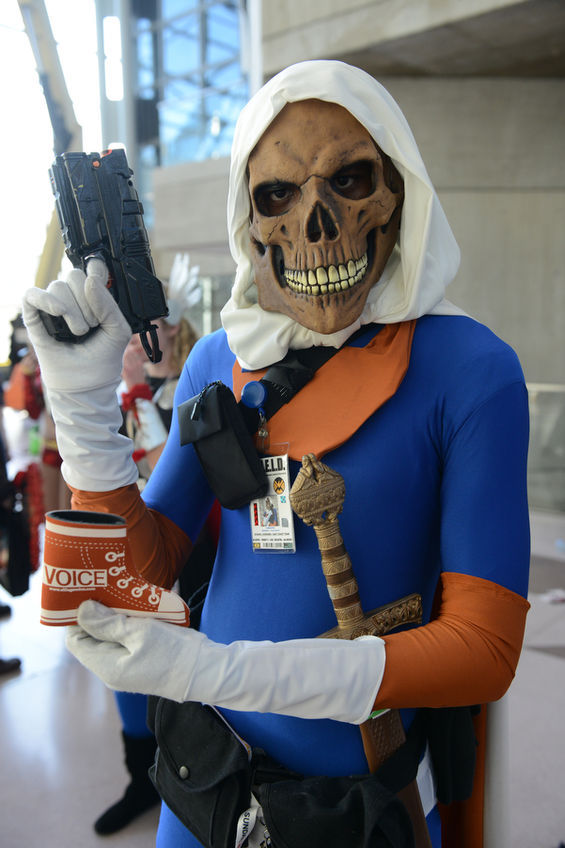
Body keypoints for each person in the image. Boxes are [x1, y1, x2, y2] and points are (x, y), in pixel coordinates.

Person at [22, 60, 530, 848]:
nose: (316, 223)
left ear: (398, 192)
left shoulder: (470, 370)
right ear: (248, 217)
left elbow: (483, 649)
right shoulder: (219, 360)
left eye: (350, 181)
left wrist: (217, 670)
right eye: (279, 196)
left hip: (362, 809)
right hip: (205, 788)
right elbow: (144, 571)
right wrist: (85, 415)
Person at [93, 256, 219, 836]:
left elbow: (168, 473)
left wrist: (141, 395)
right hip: (131, 562)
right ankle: (139, 779)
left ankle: (188, 778)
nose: (138, 340)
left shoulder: (200, 389)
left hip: (193, 563)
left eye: (148, 327)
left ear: (172, 328)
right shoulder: (124, 399)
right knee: (123, 672)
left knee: (186, 686)